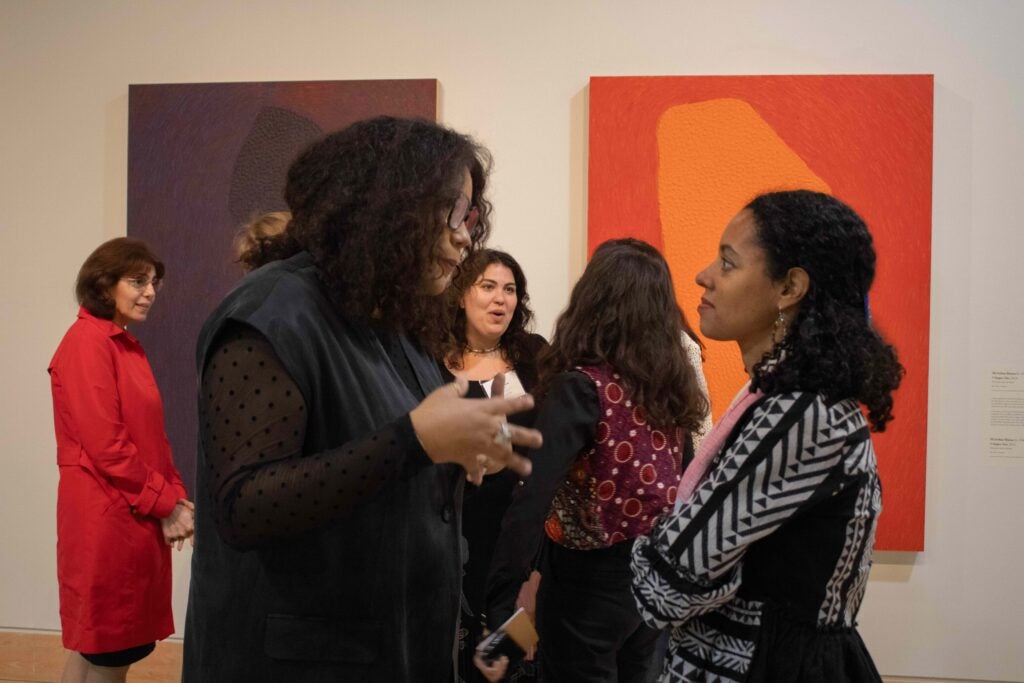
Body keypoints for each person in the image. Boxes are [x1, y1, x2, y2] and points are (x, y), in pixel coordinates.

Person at [182, 116, 542, 682]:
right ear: (387, 204)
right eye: (450, 213)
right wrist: (416, 441)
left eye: (468, 217)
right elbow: (243, 506)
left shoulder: (390, 319)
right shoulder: (271, 313)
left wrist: (460, 449)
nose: (463, 237)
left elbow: (386, 460)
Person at [631, 190, 905, 682]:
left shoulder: (802, 412)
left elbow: (667, 582)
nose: (704, 275)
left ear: (789, 288)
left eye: (728, 263)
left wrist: (694, 563)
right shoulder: (787, 399)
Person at [481, 238, 709, 682]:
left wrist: (500, 600)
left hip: (586, 586)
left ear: (593, 300)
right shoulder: (668, 387)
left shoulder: (582, 387)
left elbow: (534, 496)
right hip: (650, 583)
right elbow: (684, 484)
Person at [48, 237, 193, 683]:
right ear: (103, 284)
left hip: (129, 516)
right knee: (108, 652)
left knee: (97, 650)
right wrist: (166, 504)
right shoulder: (87, 343)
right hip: (108, 522)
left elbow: (152, 439)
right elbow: (107, 447)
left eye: (153, 283)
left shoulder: (122, 344)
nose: (150, 292)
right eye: (138, 281)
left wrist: (175, 497)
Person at [439, 248, 547, 682]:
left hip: (522, 539)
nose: (501, 299)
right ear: (461, 294)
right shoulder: (430, 360)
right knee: (453, 658)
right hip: (454, 533)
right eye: (487, 287)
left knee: (506, 665)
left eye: (510, 289)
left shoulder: (536, 357)